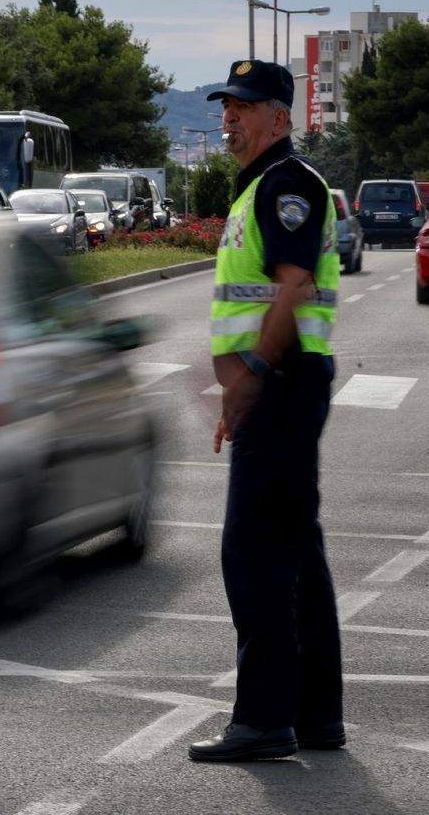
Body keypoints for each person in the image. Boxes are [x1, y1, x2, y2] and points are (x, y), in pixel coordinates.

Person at [187, 59, 344, 763]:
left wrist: (249, 374)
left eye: (245, 107)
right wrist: (240, 390)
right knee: (296, 554)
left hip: (280, 387)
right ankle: (315, 717)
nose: (230, 118)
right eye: (226, 106)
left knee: (253, 555)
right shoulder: (261, 187)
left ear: (280, 118)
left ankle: (263, 719)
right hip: (278, 390)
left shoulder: (286, 185)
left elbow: (294, 285)